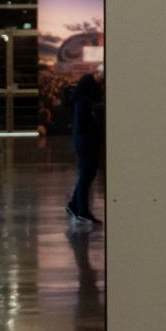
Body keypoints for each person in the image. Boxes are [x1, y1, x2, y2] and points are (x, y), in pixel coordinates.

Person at [66, 63, 105, 227]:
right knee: (87, 171)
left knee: (88, 171)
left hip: (85, 136)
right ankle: (81, 210)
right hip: (86, 136)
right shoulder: (87, 90)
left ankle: (75, 205)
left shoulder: (87, 88)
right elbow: (88, 108)